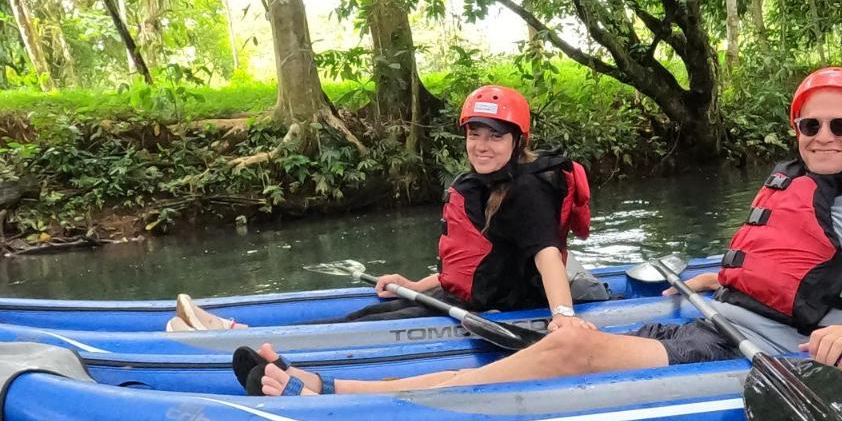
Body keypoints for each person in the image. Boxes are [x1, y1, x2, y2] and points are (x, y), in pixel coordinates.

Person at [245, 67, 842, 396]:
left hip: (762, 352)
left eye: (841, 125)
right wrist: (720, 277)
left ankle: (340, 389)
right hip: (722, 321)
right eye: (811, 123)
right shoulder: (804, 188)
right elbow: (797, 270)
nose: (823, 135)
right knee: (553, 347)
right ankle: (345, 385)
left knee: (566, 342)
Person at [173, 85, 601, 336]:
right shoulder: (483, 184)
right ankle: (231, 331)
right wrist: (415, 282)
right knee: (373, 312)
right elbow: (478, 264)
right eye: (475, 134)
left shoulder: (527, 189)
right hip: (471, 294)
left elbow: (546, 256)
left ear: (517, 140)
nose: (481, 146)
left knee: (367, 325)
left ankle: (233, 336)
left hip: (506, 309)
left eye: (494, 136)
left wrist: (562, 317)